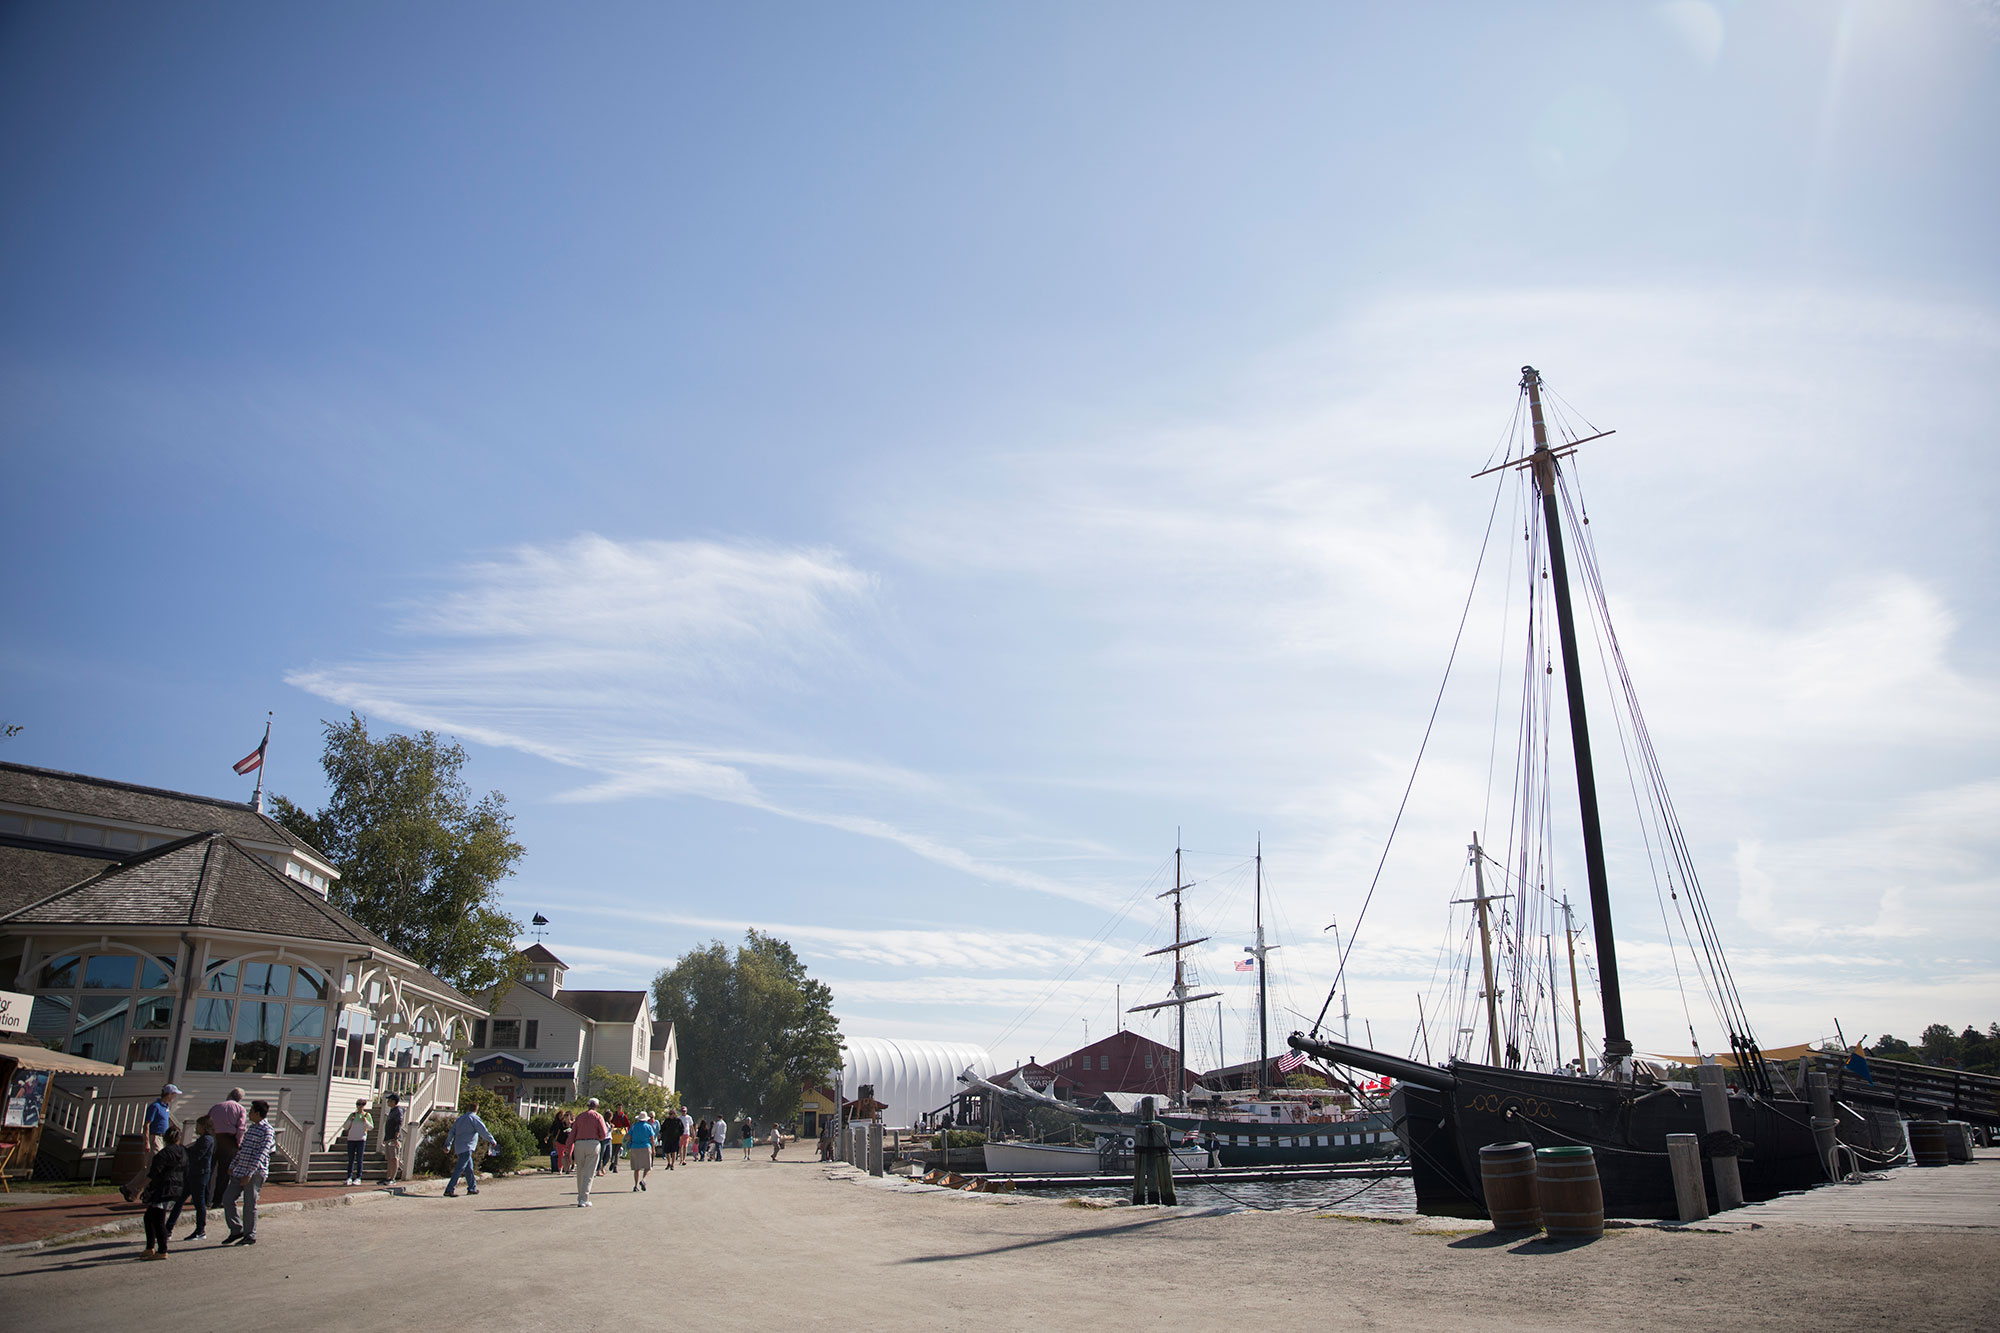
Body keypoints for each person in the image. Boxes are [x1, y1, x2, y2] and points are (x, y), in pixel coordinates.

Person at [218, 1099, 274, 1246]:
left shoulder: (267, 1130)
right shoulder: (252, 1128)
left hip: (255, 1172)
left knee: (249, 1204)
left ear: (257, 1113)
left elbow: (262, 1154)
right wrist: (233, 1164)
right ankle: (236, 1229)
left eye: (251, 1111)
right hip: (240, 1169)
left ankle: (250, 1235)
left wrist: (250, 1173)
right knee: (228, 1198)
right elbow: (243, 1148)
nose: (249, 1114)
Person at [124, 1083, 181, 1203]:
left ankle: (131, 1187)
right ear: (169, 1094)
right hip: (155, 1137)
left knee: (153, 1167)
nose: (175, 1097)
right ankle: (138, 1190)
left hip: (162, 1138)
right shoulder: (155, 1106)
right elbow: (146, 1125)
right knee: (154, 1166)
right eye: (174, 1094)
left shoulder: (165, 1107)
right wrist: (147, 1142)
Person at [139, 1124, 186, 1260]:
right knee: (149, 1217)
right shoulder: (183, 1153)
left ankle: (162, 1250)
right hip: (177, 1188)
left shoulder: (163, 1154)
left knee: (158, 1220)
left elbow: (153, 1174)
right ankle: (150, 1247)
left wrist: (139, 1189)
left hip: (163, 1190)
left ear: (165, 1138)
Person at [442, 1105, 498, 1197]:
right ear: (477, 1109)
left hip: (459, 1147)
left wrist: (448, 1145)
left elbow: (451, 1132)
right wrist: (492, 1140)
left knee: (469, 1169)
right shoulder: (474, 1118)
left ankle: (472, 1188)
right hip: (467, 1147)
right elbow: (483, 1131)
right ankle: (449, 1189)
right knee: (459, 1168)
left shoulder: (460, 1119)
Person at [175, 1115, 215, 1242]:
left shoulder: (207, 1140)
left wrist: (186, 1153)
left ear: (204, 1127)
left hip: (200, 1175)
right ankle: (168, 1228)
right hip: (193, 1174)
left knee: (199, 1203)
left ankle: (200, 1230)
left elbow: (197, 1155)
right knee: (180, 1200)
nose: (196, 1128)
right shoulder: (202, 1139)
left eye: (198, 1126)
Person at [207, 1089, 246, 1207]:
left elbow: (207, 1122)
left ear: (229, 1095)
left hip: (214, 1138)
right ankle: (217, 1200)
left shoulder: (216, 1107)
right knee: (224, 1174)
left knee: (209, 1169)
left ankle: (204, 1198)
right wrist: (238, 1144)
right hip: (229, 1140)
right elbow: (241, 1128)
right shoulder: (240, 1109)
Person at [569, 1097, 610, 1207]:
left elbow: (573, 1133)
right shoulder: (598, 1116)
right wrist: (598, 1138)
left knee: (580, 1171)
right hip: (593, 1143)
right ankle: (584, 1198)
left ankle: (580, 1196)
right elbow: (604, 1133)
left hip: (579, 1144)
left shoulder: (580, 1116)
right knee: (589, 1173)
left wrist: (568, 1148)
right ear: (597, 1106)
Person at [338, 1098, 373, 1186]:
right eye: (358, 1104)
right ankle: (349, 1177)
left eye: (362, 1104)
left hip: (361, 1139)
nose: (360, 1106)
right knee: (351, 1159)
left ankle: (358, 1177)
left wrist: (365, 1121)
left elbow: (370, 1127)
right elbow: (345, 1127)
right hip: (351, 1139)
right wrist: (350, 1120)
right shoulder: (352, 1115)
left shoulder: (367, 1115)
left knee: (359, 1159)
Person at [625, 1111, 657, 1191]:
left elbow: (628, 1137)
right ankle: (643, 1180)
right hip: (645, 1146)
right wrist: (653, 1149)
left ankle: (635, 1186)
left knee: (636, 1168)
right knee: (647, 1167)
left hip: (635, 1147)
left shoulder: (633, 1126)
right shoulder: (648, 1127)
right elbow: (652, 1139)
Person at [379, 1092, 404, 1184]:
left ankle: (393, 1178)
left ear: (394, 1101)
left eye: (389, 1100)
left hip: (394, 1139)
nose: (388, 1102)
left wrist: (396, 1138)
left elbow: (398, 1124)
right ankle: (388, 1177)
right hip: (389, 1138)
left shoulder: (398, 1111)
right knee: (389, 1158)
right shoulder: (392, 1111)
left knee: (394, 1158)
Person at [549, 1108, 571, 1173]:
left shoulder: (569, 1123)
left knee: (568, 1155)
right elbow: (552, 1129)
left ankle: (567, 1167)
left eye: (562, 1115)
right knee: (560, 1155)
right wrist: (548, 1136)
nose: (561, 1117)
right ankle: (560, 1168)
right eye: (560, 1115)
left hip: (568, 1141)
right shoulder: (558, 1123)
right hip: (559, 1140)